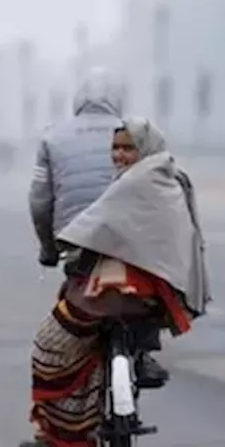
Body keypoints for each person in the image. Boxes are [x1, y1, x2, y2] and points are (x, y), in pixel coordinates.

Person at [20, 117, 210, 447]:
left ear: (145, 150)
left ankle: (70, 443)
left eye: (128, 148)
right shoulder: (171, 178)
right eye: (116, 148)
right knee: (96, 351)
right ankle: (141, 359)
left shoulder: (135, 183)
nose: (121, 155)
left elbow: (92, 227)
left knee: (53, 345)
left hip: (114, 296)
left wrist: (63, 246)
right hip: (156, 302)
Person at [28, 70, 170, 385]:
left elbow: (40, 201)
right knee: (149, 284)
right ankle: (144, 353)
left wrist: (49, 249)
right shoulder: (137, 135)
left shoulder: (52, 138)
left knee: (75, 302)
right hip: (133, 242)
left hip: (77, 242)